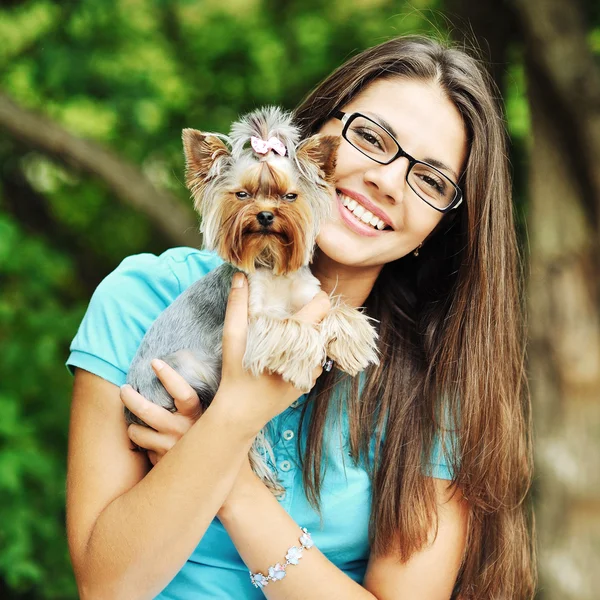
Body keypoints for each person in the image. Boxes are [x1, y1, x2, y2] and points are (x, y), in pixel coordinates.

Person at [65, 36, 535, 599]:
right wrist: (236, 412)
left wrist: (234, 482)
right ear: (316, 134)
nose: (387, 181)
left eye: (431, 180)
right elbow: (106, 587)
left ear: (442, 227)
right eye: (372, 137)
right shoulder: (143, 299)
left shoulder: (439, 386)